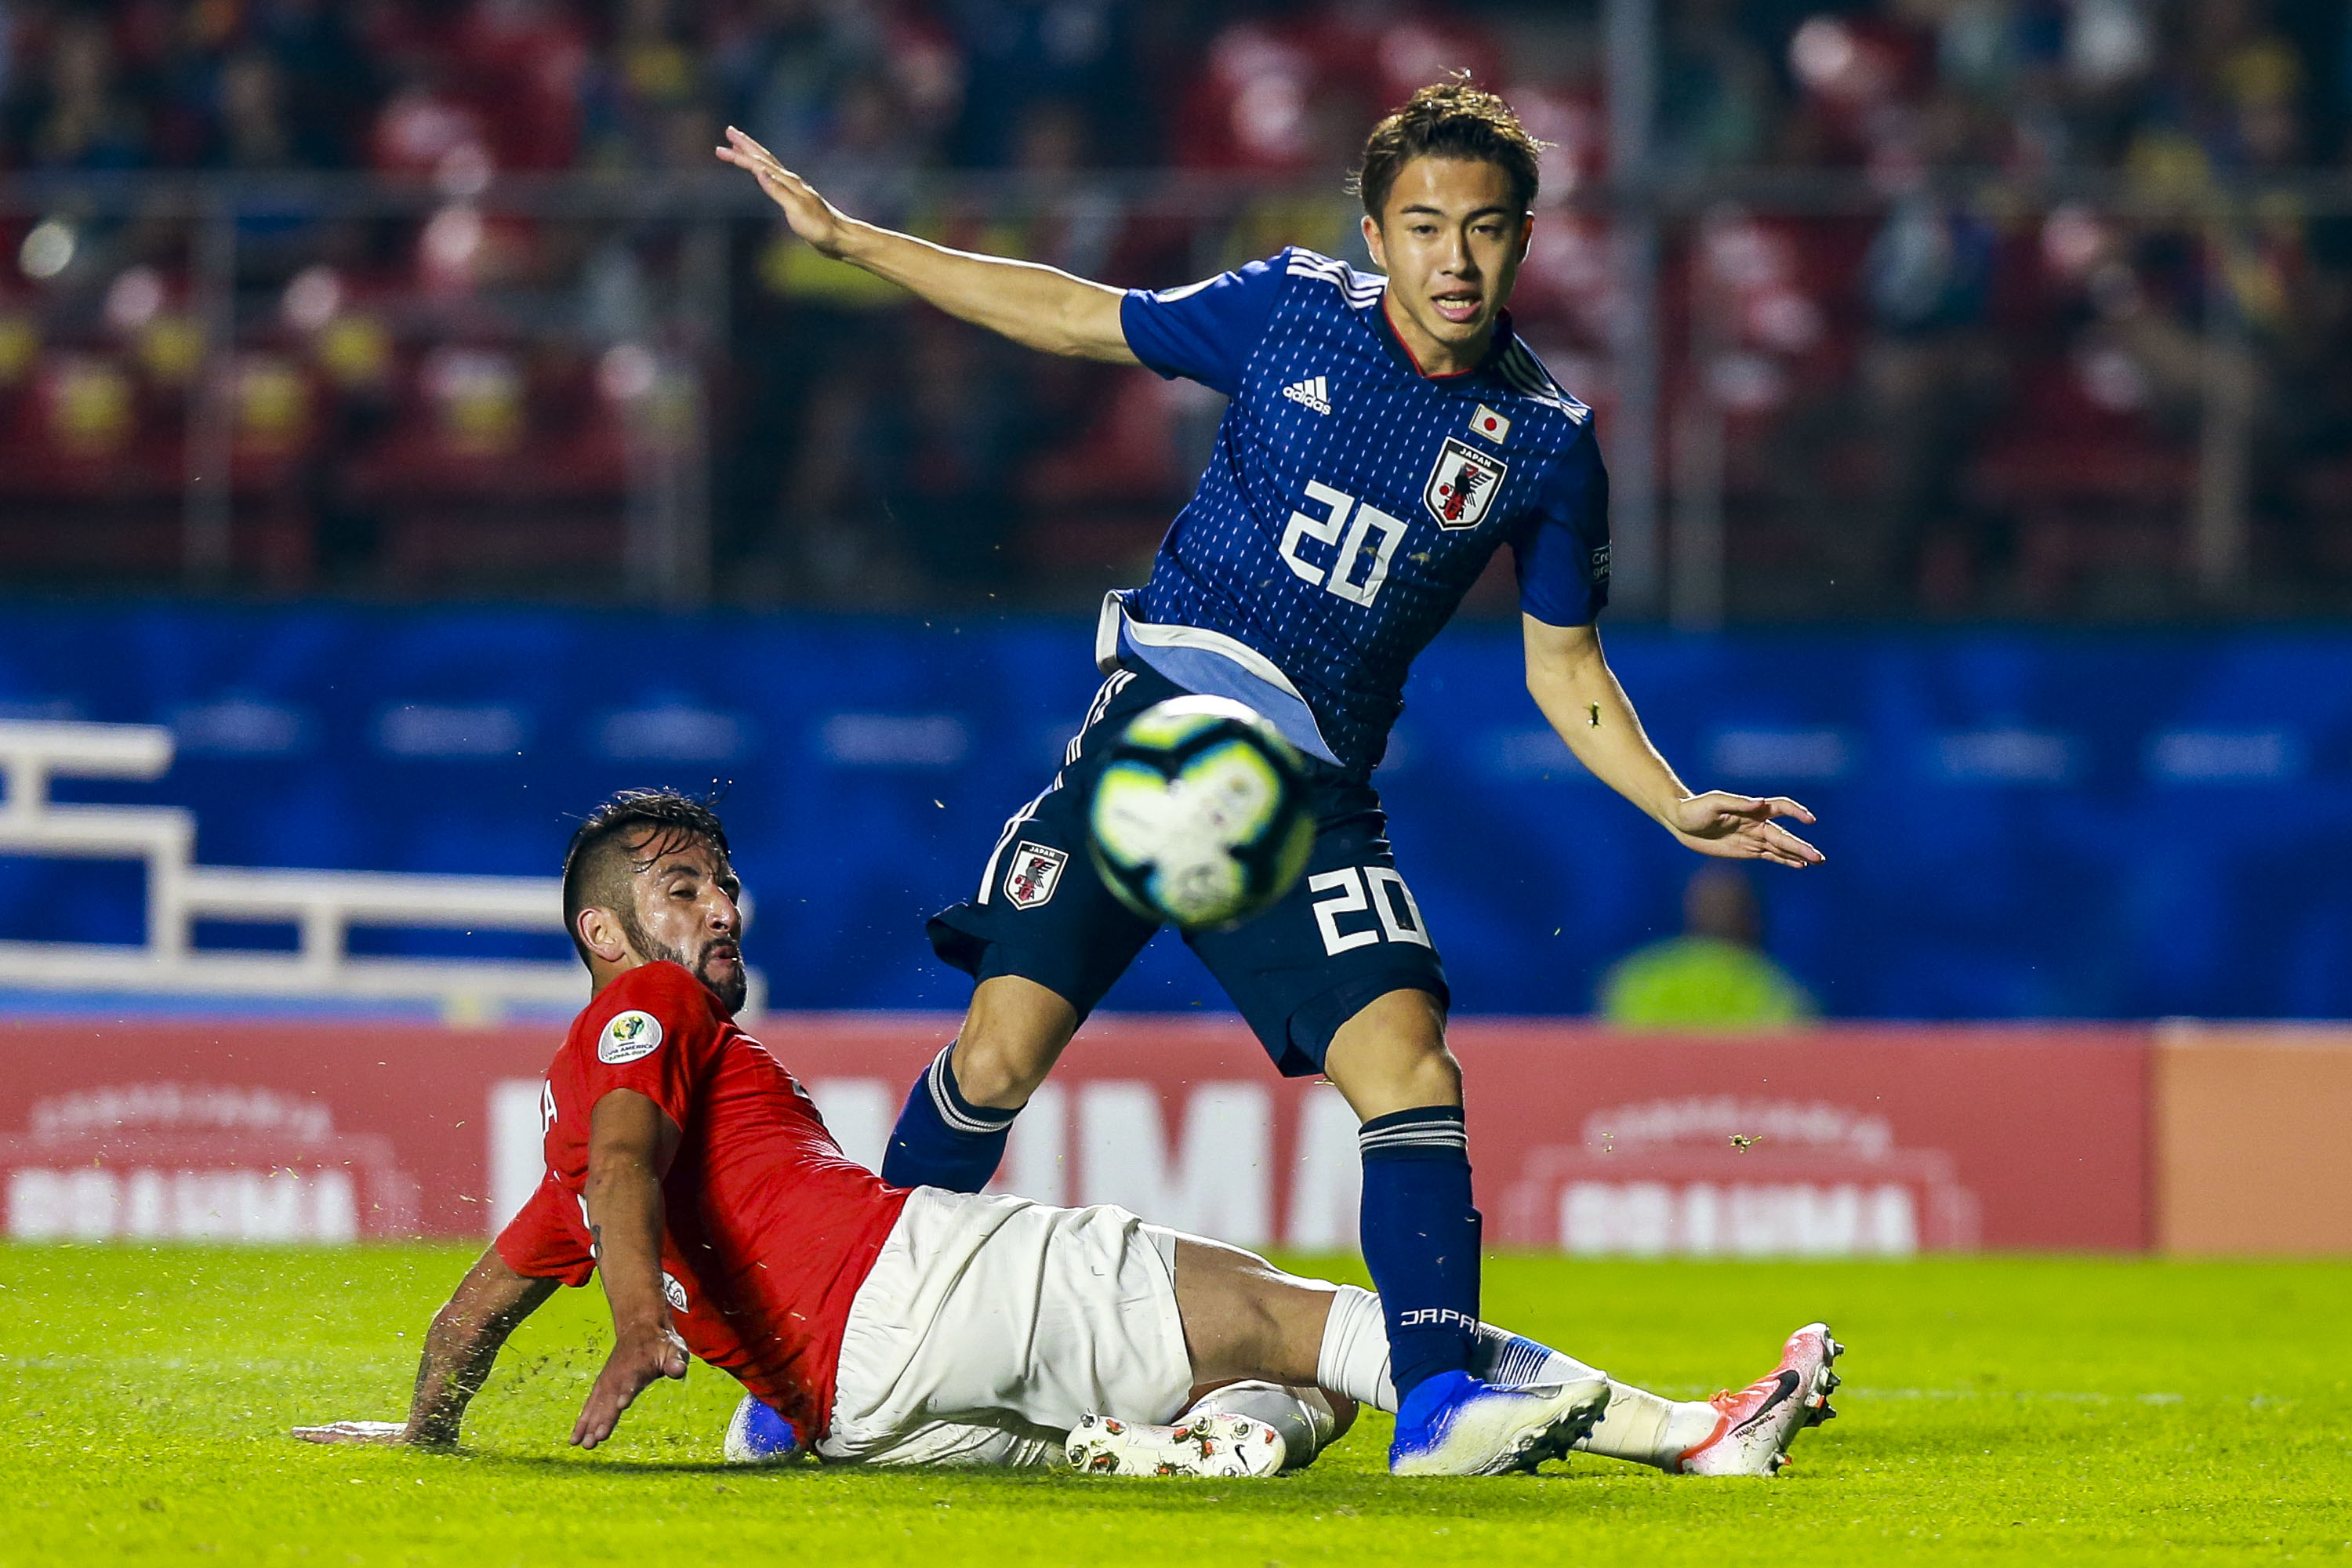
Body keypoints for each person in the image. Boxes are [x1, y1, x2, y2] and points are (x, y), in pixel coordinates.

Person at [717, 81, 1829, 1474]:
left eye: (1487, 229)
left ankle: (1436, 1409)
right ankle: (805, 1362)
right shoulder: (1292, 309)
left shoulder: (1546, 444)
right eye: (1425, 226)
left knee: (1412, 1066)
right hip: (1161, 736)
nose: (1456, 259)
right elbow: (1076, 313)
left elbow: (1568, 666)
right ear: (1376, 233)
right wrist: (855, 242)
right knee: (997, 1054)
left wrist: (1670, 799)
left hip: (1305, 795)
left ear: (1527, 240)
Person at [292, 790, 1840, 1478]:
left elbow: (482, 1303)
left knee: (1265, 1388)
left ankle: (1200, 1452)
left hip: (850, 1414)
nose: (720, 906)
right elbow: (629, 1168)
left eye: (721, 880)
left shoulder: (577, 1137)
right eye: (679, 886)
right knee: (1311, 1319)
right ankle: (1696, 1434)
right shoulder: (645, 1020)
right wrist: (638, 1321)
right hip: (905, 1286)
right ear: (600, 930)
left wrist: (423, 1432)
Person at [1599, 865, 1817, 1029]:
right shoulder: (1780, 988)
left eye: (1725, 904)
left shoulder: (1638, 976)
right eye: (1713, 903)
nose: (1720, 912)